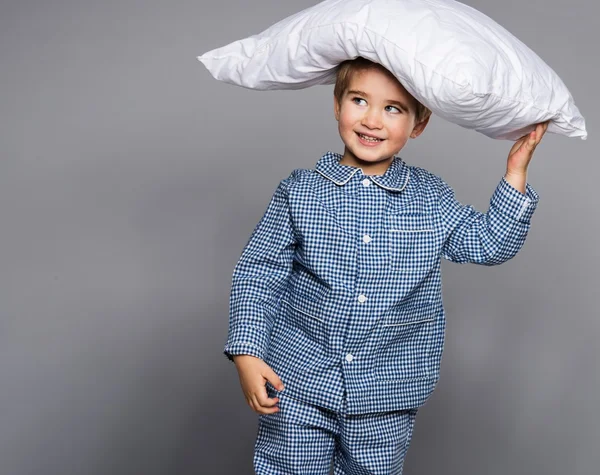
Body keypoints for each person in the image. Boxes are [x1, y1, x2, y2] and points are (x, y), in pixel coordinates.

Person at [225, 56, 548, 474]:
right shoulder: (299, 193)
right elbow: (257, 274)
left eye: (392, 108)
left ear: (419, 122)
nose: (373, 120)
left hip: (388, 392)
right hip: (298, 382)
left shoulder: (431, 198)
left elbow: (487, 244)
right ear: (337, 105)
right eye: (360, 100)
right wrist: (247, 353)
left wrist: (515, 174)